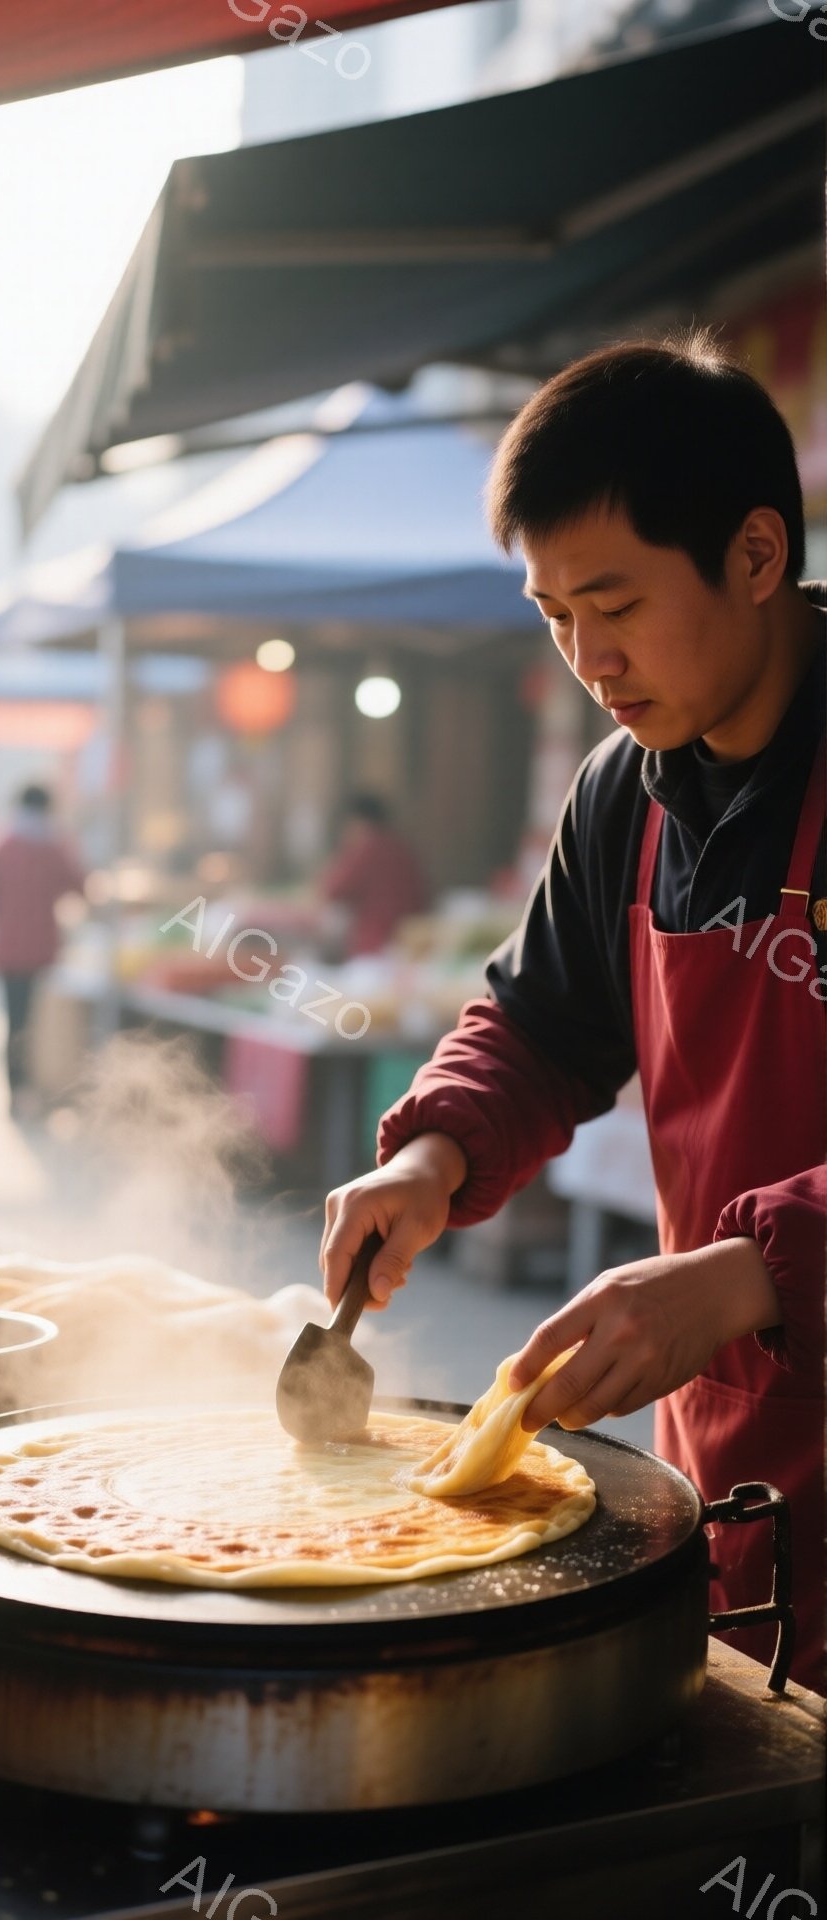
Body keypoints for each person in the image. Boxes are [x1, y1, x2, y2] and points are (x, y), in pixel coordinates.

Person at [321, 335, 825, 1695]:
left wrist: (746, 1273)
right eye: (553, 614)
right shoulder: (628, 790)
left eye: (617, 603)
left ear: (759, 555)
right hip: (731, 1465)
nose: (589, 659)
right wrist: (430, 1155)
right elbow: (541, 1025)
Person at [0, 784, 85, 1113]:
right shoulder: (55, 845)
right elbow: (79, 886)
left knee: (14, 1021)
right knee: (42, 1024)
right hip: (43, 948)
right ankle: (37, 1088)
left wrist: (6, 919)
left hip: (8, 948)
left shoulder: (4, 843)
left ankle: (15, 1088)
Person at [317, 793, 430, 957]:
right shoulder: (402, 848)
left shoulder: (367, 848)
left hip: (376, 945)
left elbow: (332, 888)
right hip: (408, 945)